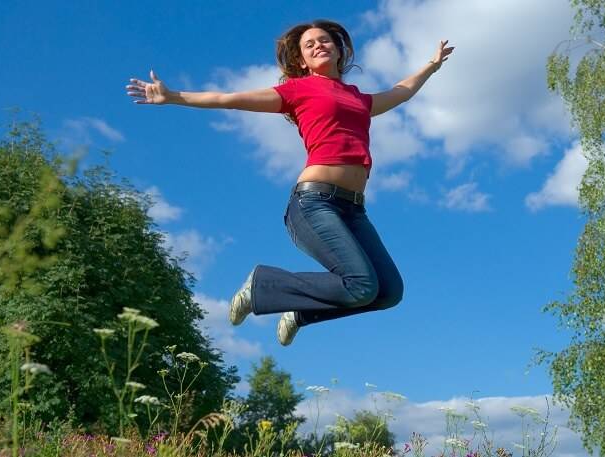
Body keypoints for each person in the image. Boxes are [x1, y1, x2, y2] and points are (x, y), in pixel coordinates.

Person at [126, 19, 454, 346]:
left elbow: (402, 91)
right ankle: (263, 285)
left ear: (339, 51)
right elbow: (229, 98)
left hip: (354, 211)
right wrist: (173, 96)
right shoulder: (298, 90)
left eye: (324, 40)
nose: (318, 46)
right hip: (314, 204)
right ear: (301, 61)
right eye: (309, 45)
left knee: (387, 291)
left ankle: (299, 313)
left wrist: (432, 66)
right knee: (361, 284)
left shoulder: (359, 99)